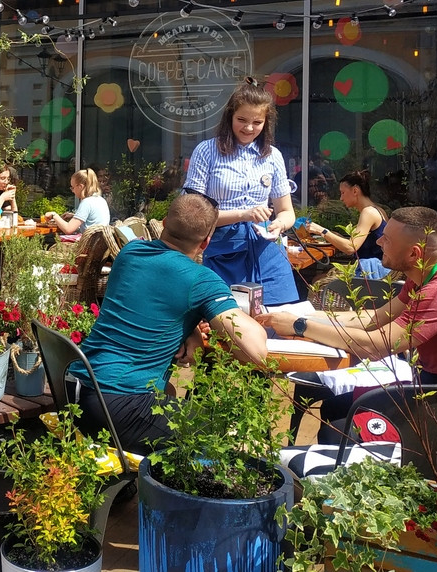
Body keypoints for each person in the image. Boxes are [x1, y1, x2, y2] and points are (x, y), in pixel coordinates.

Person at [259, 206, 437, 445]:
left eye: (387, 239)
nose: (378, 242)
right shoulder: (427, 275)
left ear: (414, 254)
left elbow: (376, 346)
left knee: (339, 428)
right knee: (335, 408)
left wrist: (300, 326)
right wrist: (295, 316)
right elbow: (373, 318)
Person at [71, 192, 269, 453]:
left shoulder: (130, 253)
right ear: (206, 243)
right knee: (228, 431)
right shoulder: (201, 280)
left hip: (77, 391)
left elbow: (152, 301)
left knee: (171, 393)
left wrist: (188, 328)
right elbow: (257, 353)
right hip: (119, 405)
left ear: (163, 223)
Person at [182, 80, 298, 306]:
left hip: (267, 249)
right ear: (229, 117)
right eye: (242, 120)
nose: (249, 128)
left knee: (278, 317)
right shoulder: (207, 151)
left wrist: (279, 225)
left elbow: (287, 212)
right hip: (224, 248)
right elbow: (192, 214)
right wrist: (243, 214)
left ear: (266, 123)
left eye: (257, 122)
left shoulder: (273, 156)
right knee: (227, 320)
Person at [305, 169, 390, 278]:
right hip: (376, 272)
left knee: (318, 280)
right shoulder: (377, 209)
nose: (341, 198)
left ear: (355, 191)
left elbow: (350, 248)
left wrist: (322, 231)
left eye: (343, 193)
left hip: (372, 276)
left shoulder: (368, 212)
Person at [44, 168, 110, 235]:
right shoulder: (100, 200)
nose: (72, 191)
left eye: (73, 187)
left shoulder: (87, 202)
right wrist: (74, 216)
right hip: (100, 241)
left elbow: (68, 229)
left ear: (80, 187)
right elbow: (92, 220)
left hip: (90, 244)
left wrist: (54, 215)